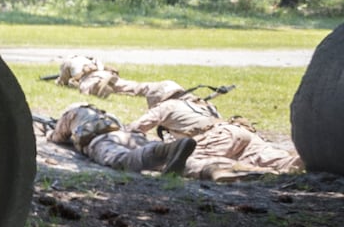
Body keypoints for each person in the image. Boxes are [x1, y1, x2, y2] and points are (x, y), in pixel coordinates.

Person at [126, 88, 303, 175]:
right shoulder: (204, 105)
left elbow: (135, 129)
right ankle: (311, 161)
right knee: (286, 163)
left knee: (182, 160)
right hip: (238, 132)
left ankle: (253, 171)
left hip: (215, 138)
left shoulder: (167, 105)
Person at [46, 102, 198, 176]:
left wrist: (50, 134)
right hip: (130, 136)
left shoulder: (73, 114)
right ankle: (210, 170)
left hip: (101, 140)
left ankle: (166, 149)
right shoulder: (110, 117)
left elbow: (58, 137)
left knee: (122, 159)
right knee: (164, 159)